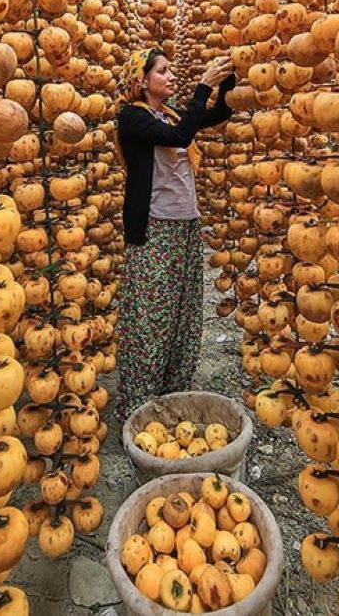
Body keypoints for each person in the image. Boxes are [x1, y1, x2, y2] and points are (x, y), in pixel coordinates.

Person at [114, 48, 236, 417]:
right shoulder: (132, 118)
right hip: (155, 225)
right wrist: (202, 86)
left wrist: (227, 78)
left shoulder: (166, 114)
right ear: (142, 80)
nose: (170, 77)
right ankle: (139, 402)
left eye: (170, 71)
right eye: (163, 71)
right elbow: (181, 136)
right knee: (153, 314)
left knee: (183, 310)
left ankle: (171, 391)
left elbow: (219, 114)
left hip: (185, 224)